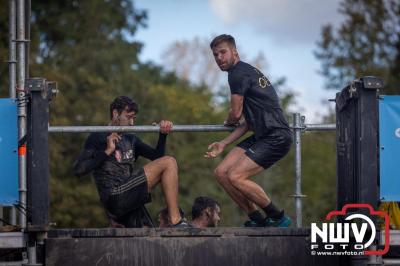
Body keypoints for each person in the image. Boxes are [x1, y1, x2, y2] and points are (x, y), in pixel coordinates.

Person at [205, 34, 293, 227]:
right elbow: (248, 123)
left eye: (223, 52)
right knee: (221, 172)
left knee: (235, 175)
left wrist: (228, 119)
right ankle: (258, 219)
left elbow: (235, 115)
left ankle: (278, 217)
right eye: (215, 55)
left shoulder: (237, 73)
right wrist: (224, 143)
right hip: (262, 134)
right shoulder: (242, 72)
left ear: (234, 52)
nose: (219, 58)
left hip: (276, 136)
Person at [74, 96, 187, 227]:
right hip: (113, 196)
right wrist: (107, 151)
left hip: (128, 196)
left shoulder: (131, 139)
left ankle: (172, 222)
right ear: (115, 113)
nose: (132, 123)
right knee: (169, 161)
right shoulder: (97, 137)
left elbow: (157, 158)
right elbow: (78, 170)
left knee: (148, 231)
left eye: (134, 118)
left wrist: (163, 135)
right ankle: (176, 220)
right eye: (129, 117)